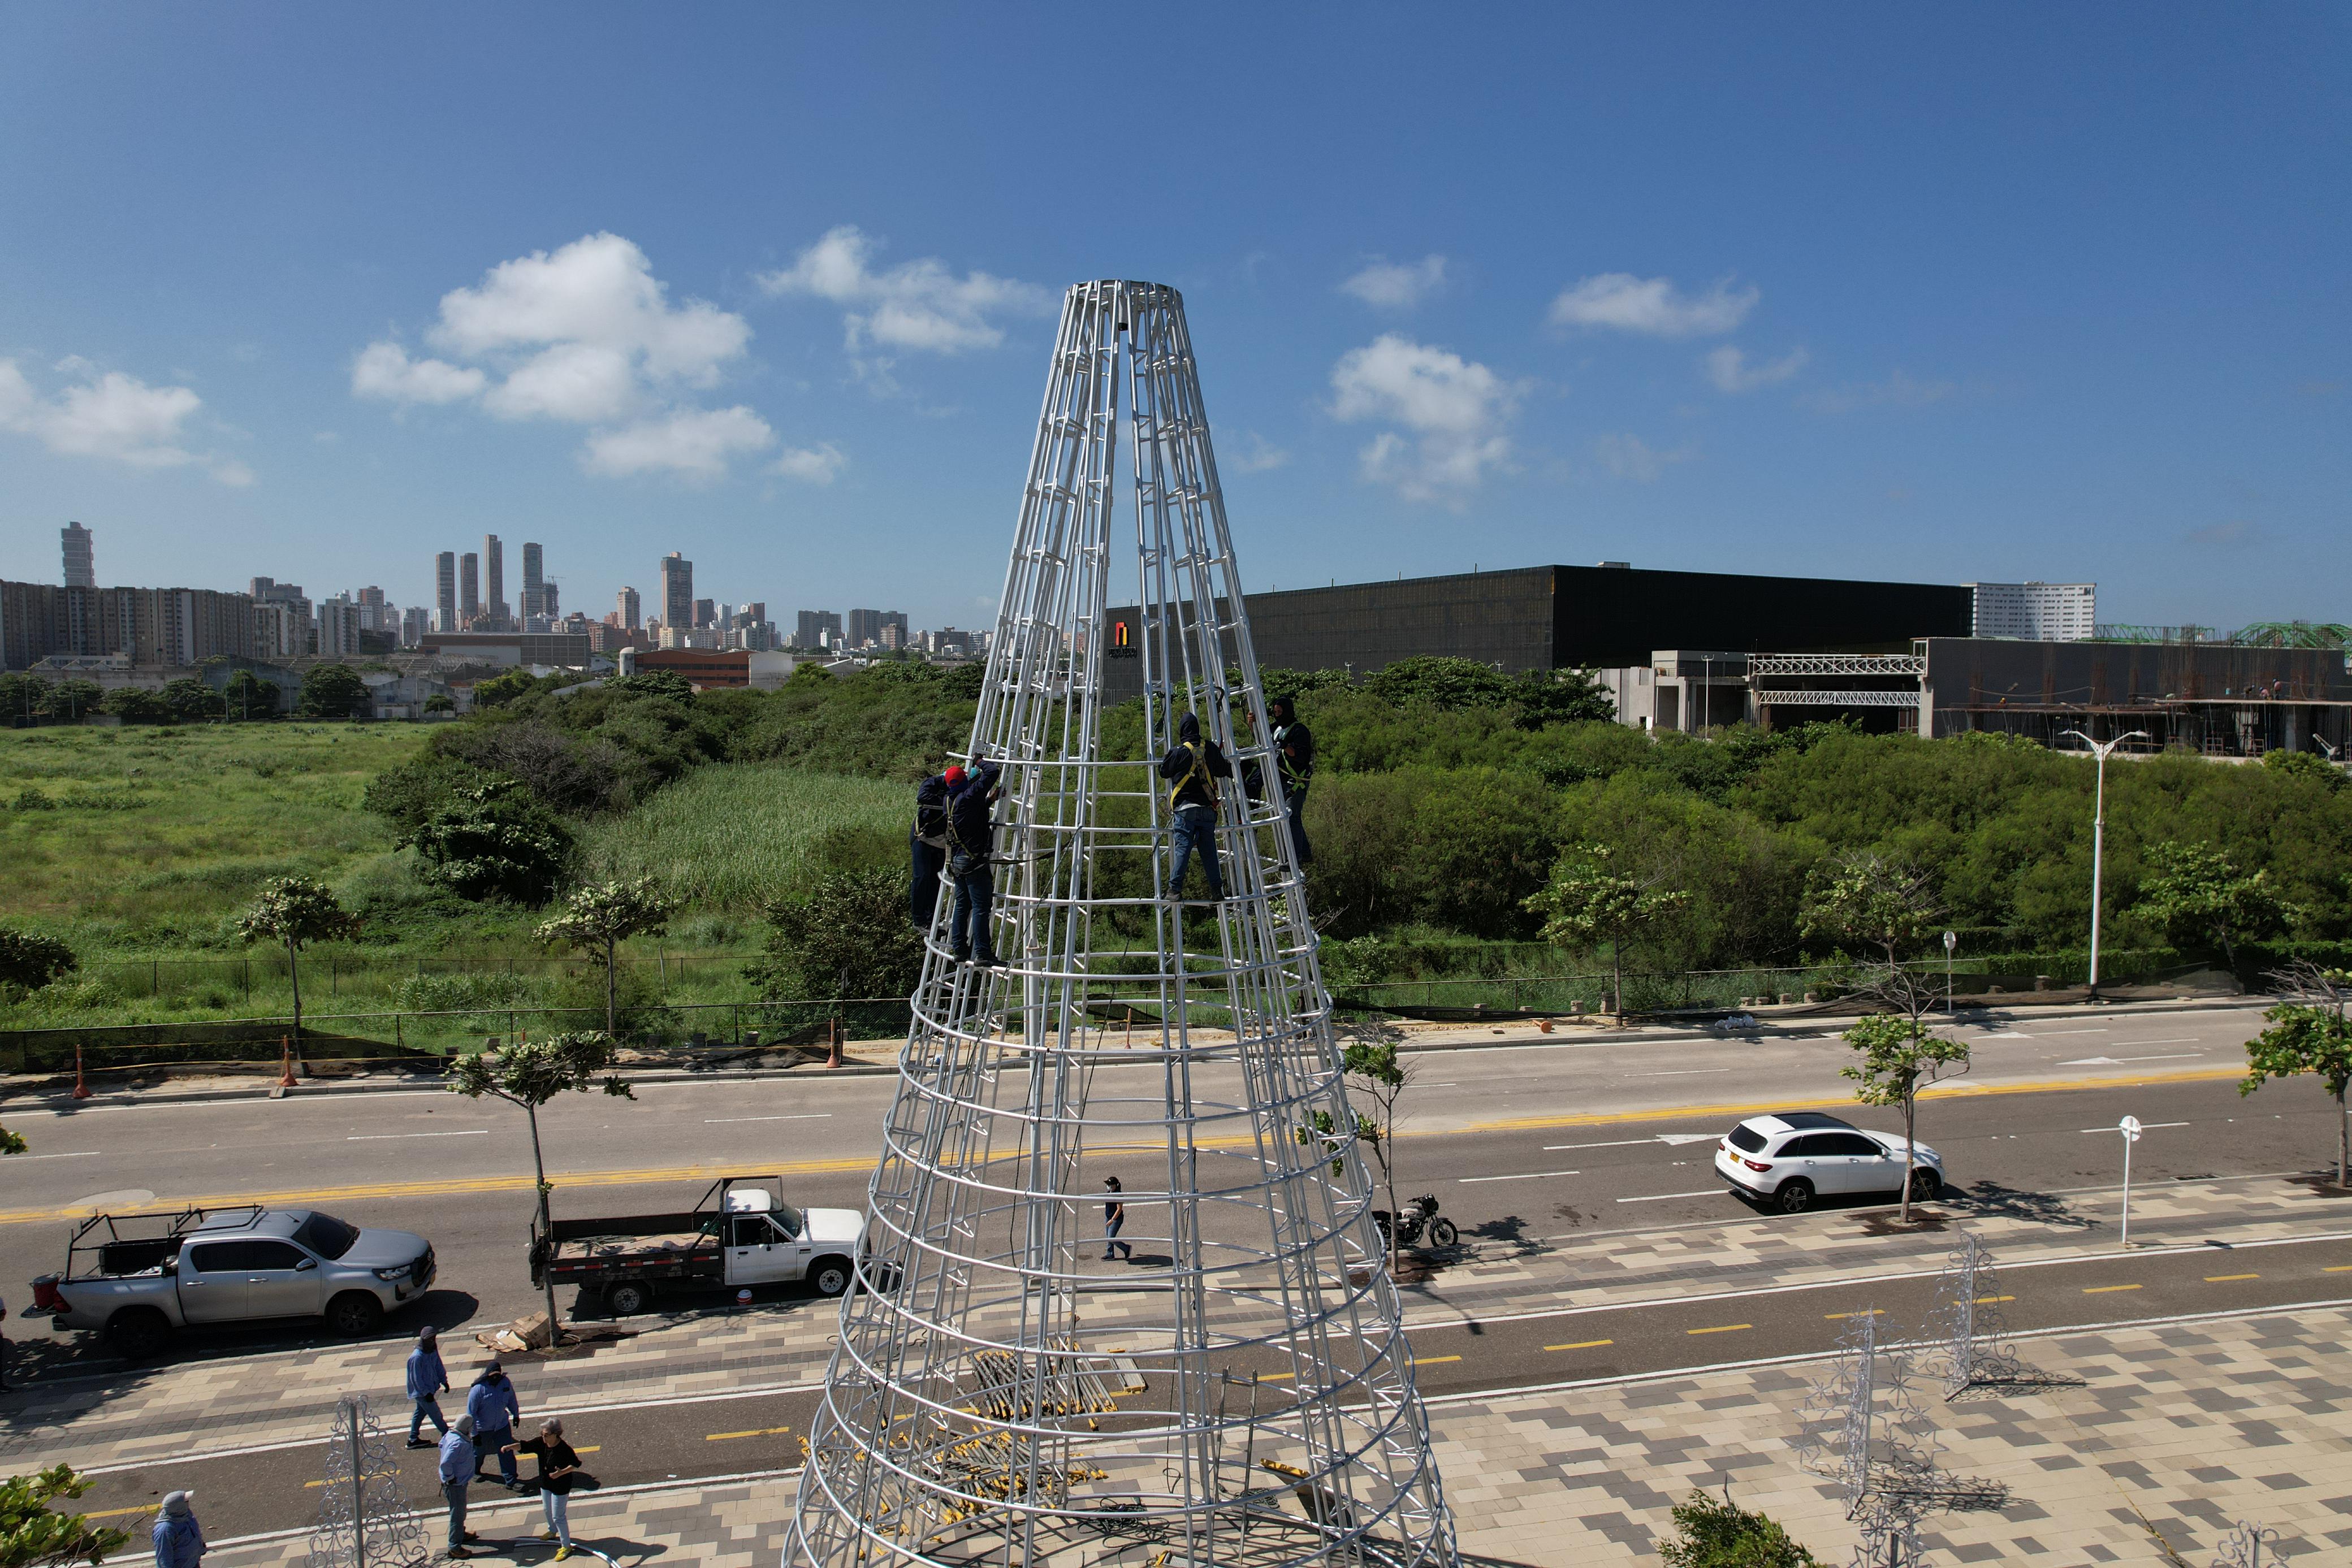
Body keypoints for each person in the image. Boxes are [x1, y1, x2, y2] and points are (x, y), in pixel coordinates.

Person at [1159, 711, 1233, 902]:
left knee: (1183, 848)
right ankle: (1217, 891)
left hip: (1185, 810)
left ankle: (1174, 890)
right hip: (1208, 810)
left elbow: (1164, 771)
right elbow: (1223, 770)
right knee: (1209, 852)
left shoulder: (1180, 751)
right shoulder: (1209, 748)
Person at [943, 756, 1004, 967]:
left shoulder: (949, 801)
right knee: (981, 907)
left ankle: (959, 949)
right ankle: (982, 953)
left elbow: (969, 816)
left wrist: (989, 801)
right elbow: (993, 773)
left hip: (956, 860)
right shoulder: (969, 796)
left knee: (962, 905)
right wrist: (979, 762)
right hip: (973, 861)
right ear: (964, 782)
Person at [509, 1417, 585, 1561]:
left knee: (559, 1516)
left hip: (560, 1486)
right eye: (542, 1434)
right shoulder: (541, 1443)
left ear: (556, 1434)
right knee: (546, 1509)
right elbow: (524, 1446)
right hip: (546, 1484)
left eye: (546, 1435)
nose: (543, 1437)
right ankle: (552, 1530)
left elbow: (576, 1464)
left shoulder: (564, 1449)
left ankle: (566, 1546)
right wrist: (510, 1447)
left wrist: (560, 1473)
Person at [1268, 696, 1315, 867]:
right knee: (1291, 816)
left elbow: (1300, 755)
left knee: (1291, 816)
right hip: (1279, 779)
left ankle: (1295, 859)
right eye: (1275, 712)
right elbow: (1261, 741)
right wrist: (1253, 724)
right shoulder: (1274, 728)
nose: (1278, 715)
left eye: (1280, 712)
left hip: (1296, 780)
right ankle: (1304, 852)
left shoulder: (1300, 731)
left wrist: (1286, 746)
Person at [910, 765, 955, 928]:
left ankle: (930, 920)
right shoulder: (934, 783)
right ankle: (918, 918)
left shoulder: (962, 790)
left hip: (941, 843)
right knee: (921, 877)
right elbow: (922, 797)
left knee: (935, 880)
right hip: (922, 838)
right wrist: (948, 801)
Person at [466, 1361, 522, 1488]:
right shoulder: (478, 1389)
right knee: (478, 1452)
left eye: (498, 1375)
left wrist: (516, 1414)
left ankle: (511, 1480)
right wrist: (474, 1434)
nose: (495, 1378)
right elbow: (471, 1414)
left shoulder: (505, 1383)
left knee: (507, 1451)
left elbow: (512, 1399)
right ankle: (474, 1471)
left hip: (501, 1426)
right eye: (493, 1376)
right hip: (482, 1429)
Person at [438, 1415, 482, 1559]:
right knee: (457, 1515)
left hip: (457, 1483)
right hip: (455, 1485)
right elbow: (445, 1464)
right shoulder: (459, 1443)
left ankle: (460, 1534)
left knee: (460, 1512)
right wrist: (451, 1478)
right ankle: (455, 1547)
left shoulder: (451, 1435)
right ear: (468, 1428)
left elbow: (441, 1446)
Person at [406, 1326, 451, 1447]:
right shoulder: (417, 1357)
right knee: (436, 1413)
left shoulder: (432, 1350)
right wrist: (426, 1394)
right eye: (429, 1339)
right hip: (422, 1393)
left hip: (430, 1390)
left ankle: (413, 1439)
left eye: (433, 1338)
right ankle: (447, 1434)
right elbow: (416, 1379)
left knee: (420, 1413)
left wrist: (444, 1380)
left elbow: (438, 1366)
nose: (432, 1341)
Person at [151, 1491, 205, 1568]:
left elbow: (193, 1530)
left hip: (192, 1563)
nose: (188, 1503)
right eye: (186, 1501)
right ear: (178, 1507)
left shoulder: (185, 1514)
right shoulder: (164, 1530)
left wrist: (200, 1545)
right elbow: (164, 1557)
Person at [1101, 1176, 1132, 1262]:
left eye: (1110, 1185)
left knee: (1111, 1237)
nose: (1109, 1186)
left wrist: (1112, 1220)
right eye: (1108, 1184)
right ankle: (1110, 1254)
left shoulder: (1118, 1194)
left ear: (1115, 1185)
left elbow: (1119, 1209)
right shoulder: (1109, 1193)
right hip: (1108, 1216)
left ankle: (1126, 1248)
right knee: (1108, 1236)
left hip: (1116, 1219)